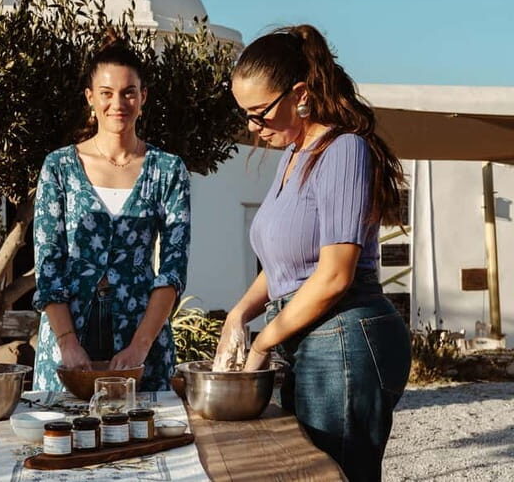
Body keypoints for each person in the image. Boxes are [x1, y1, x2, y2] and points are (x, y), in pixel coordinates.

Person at [214, 24, 411, 482]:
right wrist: (240, 314)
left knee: (333, 474)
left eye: (259, 113)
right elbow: (286, 265)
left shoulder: (343, 150)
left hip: (345, 335)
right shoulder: (292, 156)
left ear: (300, 93)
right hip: (310, 336)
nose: (252, 127)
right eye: (245, 114)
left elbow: (334, 275)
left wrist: (263, 342)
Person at [31, 32, 191, 392]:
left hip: (141, 332)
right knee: (65, 439)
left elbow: (173, 268)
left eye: (128, 92)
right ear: (90, 98)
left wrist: (141, 346)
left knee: (147, 439)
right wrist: (67, 341)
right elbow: (48, 263)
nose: (117, 103)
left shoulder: (168, 170)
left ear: (143, 96)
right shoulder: (58, 167)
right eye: (106, 93)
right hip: (69, 334)